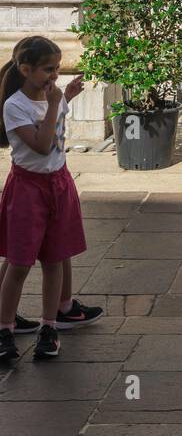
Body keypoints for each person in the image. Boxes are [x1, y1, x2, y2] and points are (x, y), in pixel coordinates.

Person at [0, 37, 102, 363]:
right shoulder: (15, 105)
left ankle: (49, 326)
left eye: (57, 68)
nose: (53, 76)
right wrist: (56, 103)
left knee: (55, 258)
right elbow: (42, 145)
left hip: (58, 183)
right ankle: (5, 328)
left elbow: (55, 128)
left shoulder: (50, 98)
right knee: (19, 262)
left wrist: (65, 97)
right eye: (48, 69)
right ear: (26, 69)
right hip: (29, 189)